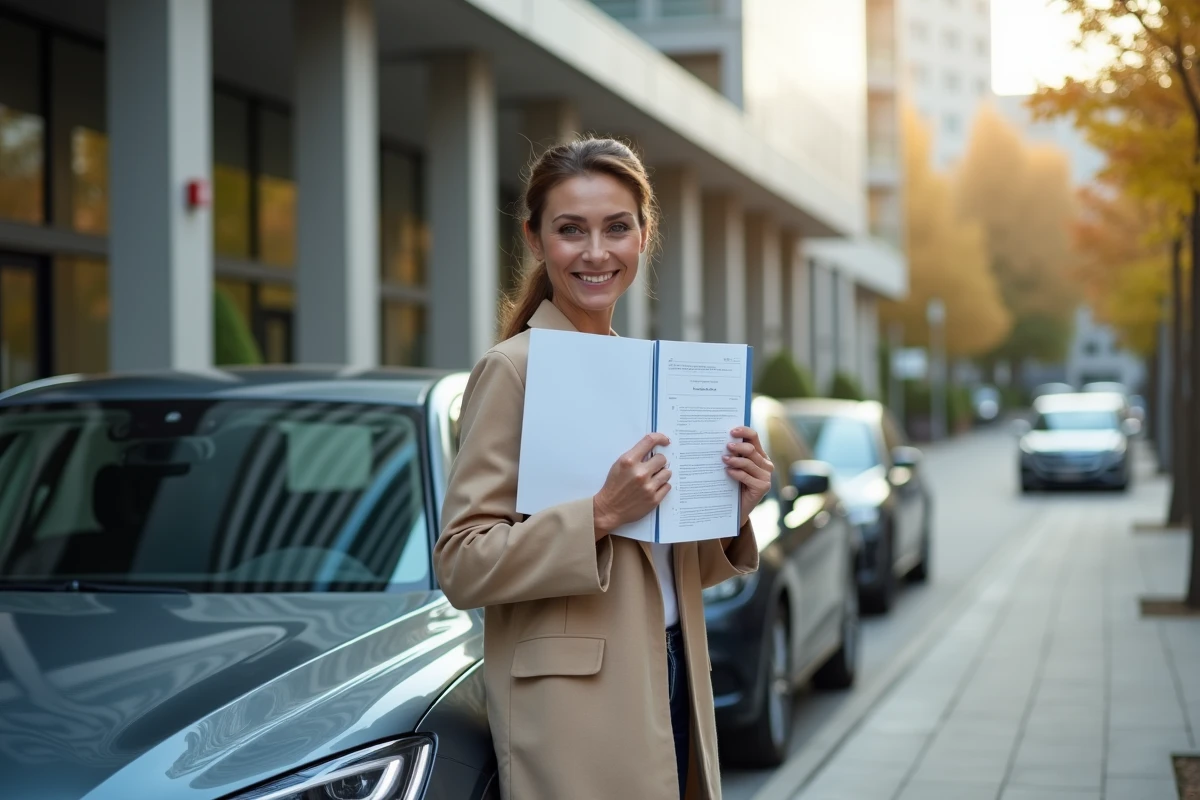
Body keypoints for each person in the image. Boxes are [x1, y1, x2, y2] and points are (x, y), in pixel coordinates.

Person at [433, 137, 772, 800]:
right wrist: (598, 515)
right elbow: (461, 563)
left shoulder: (648, 370)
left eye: (617, 228)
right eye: (570, 230)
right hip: (574, 707)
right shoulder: (514, 370)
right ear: (534, 240)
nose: (595, 253)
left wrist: (733, 510)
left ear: (643, 237)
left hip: (673, 672)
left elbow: (662, 572)